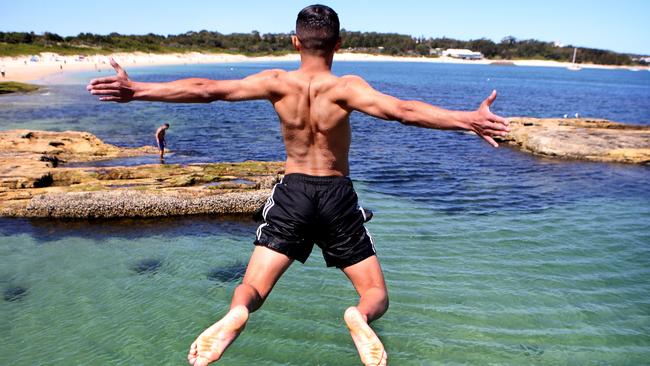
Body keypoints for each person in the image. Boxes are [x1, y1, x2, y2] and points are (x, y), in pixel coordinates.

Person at [86, 5, 508, 365]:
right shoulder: (347, 88)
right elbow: (403, 110)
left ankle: (236, 315)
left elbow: (207, 89)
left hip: (293, 192)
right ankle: (358, 318)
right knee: (375, 292)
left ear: (295, 43)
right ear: (339, 44)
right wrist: (466, 120)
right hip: (337, 194)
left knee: (252, 287)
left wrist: (138, 89)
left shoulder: (277, 82)